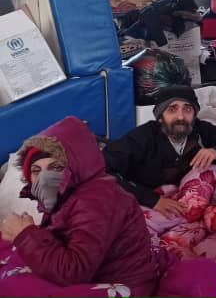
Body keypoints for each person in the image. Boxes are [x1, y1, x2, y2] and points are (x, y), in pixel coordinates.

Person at [0, 117, 158, 296]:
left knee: (13, 286)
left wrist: (25, 234)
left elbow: (75, 271)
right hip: (98, 273)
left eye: (55, 166)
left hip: (122, 282)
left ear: (76, 164)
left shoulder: (97, 199)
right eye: (36, 170)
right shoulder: (68, 192)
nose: (44, 178)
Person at [103, 85, 216, 212]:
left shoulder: (201, 130)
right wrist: (152, 200)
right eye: (172, 109)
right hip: (148, 203)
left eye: (187, 109)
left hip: (188, 202)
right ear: (160, 116)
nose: (181, 117)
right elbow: (102, 170)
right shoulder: (142, 137)